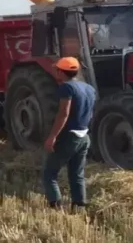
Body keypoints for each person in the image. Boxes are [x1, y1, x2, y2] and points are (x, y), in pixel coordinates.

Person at [43, 56, 96, 211]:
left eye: (57, 70)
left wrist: (52, 137)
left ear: (61, 72)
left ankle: (56, 207)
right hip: (84, 136)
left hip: (69, 137)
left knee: (49, 174)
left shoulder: (66, 88)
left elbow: (63, 114)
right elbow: (90, 113)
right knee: (76, 174)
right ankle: (79, 205)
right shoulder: (89, 88)